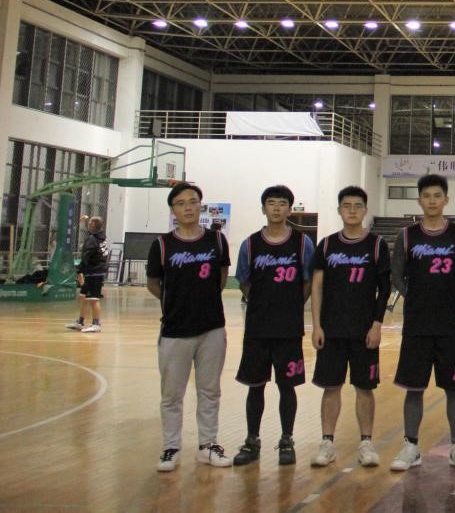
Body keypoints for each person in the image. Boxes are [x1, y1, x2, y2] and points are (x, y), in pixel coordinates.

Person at [389, 174, 455, 472]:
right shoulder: (407, 236)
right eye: (426, 196)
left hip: (450, 326)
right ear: (419, 201)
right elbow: (396, 275)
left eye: (437, 195)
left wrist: (454, 299)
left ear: (446, 200)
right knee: (413, 388)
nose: (432, 201)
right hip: (417, 325)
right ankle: (411, 446)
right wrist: (415, 297)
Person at [146, 182, 233, 472]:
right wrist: (175, 302)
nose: (188, 207)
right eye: (181, 203)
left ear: (200, 206)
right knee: (172, 395)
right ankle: (170, 447)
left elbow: (221, 276)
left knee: (210, 391)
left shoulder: (217, 240)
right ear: (173, 210)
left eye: (193, 202)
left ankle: (208, 446)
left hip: (212, 328)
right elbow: (153, 283)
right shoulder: (161, 245)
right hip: (175, 330)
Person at [231, 185, 314, 467]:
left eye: (281, 203)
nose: (276, 208)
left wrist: (291, 305)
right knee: (255, 387)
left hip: (289, 329)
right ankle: (252, 440)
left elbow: (308, 281)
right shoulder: (250, 244)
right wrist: (261, 304)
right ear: (263, 208)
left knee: (287, 387)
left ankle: (287, 439)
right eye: (271, 203)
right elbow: (244, 281)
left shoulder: (302, 244)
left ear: (290, 209)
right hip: (257, 328)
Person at [310, 186, 392, 469]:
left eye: (358, 206)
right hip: (331, 330)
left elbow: (384, 289)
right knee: (330, 387)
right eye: (347, 205)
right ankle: (327, 442)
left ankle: (366, 442)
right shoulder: (327, 245)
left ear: (365, 210)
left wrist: (377, 324)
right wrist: (316, 325)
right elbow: (317, 287)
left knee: (364, 388)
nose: (352, 210)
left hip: (363, 331)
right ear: (339, 210)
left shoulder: (377, 245)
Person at [67, 215, 108, 333]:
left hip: (94, 272)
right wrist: (85, 222)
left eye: (89, 223)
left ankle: (96, 324)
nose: (88, 225)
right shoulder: (100, 237)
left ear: (93, 225)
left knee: (94, 299)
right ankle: (80, 322)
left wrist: (79, 271)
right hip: (95, 271)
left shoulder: (92, 239)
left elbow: (86, 256)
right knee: (83, 297)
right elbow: (92, 232)